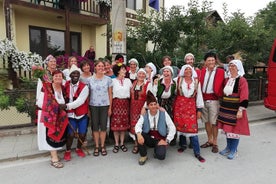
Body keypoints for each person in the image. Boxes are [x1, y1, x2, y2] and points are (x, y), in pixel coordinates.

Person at [217, 60, 250, 160]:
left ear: (238, 68)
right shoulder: (227, 80)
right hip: (226, 109)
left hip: (235, 109)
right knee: (227, 130)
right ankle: (228, 147)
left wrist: (241, 110)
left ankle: (234, 150)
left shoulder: (242, 80)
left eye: (233, 66)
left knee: (234, 130)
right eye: (230, 66)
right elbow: (222, 93)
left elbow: (244, 95)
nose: (231, 68)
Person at [173, 65, 205, 162]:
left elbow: (199, 95)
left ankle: (197, 152)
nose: (187, 71)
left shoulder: (196, 82)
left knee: (193, 130)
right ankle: (183, 145)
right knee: (181, 127)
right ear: (183, 71)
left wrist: (199, 110)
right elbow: (167, 80)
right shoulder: (177, 80)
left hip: (191, 107)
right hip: (179, 107)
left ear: (192, 71)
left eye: (189, 69)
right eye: (185, 69)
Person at [36, 70, 68, 169]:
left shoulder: (62, 88)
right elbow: (40, 103)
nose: (58, 78)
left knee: (56, 136)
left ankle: (54, 155)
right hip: (48, 117)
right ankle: (54, 159)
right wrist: (54, 107)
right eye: (56, 76)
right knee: (51, 135)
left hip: (58, 117)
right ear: (52, 77)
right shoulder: (46, 88)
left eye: (60, 76)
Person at [135, 91, 176, 165]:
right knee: (138, 133)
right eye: (151, 105)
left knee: (161, 156)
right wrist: (139, 134)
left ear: (157, 105)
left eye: (155, 104)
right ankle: (143, 155)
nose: (153, 106)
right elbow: (138, 125)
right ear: (148, 106)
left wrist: (167, 140)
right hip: (149, 137)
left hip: (160, 138)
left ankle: (157, 150)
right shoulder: (145, 114)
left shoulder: (163, 113)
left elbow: (172, 127)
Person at [62, 64, 89, 161]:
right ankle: (68, 151)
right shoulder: (65, 85)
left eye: (77, 73)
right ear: (70, 75)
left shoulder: (84, 87)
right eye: (73, 73)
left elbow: (80, 101)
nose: (75, 75)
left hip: (81, 114)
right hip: (70, 115)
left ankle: (78, 148)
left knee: (82, 134)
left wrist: (67, 106)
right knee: (70, 135)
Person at [199, 52, 224, 153]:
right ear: (205, 62)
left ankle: (215, 142)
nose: (211, 62)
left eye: (212, 60)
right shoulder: (203, 71)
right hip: (203, 99)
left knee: (214, 122)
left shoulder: (220, 71)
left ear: (215, 60)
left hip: (214, 99)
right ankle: (209, 140)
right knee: (206, 121)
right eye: (209, 60)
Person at [88, 60, 113, 156]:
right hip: (93, 106)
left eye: (102, 66)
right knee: (94, 127)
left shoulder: (108, 79)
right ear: (95, 67)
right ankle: (96, 146)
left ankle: (102, 146)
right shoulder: (90, 80)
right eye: (99, 66)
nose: (101, 68)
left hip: (104, 106)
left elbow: (110, 94)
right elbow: (88, 95)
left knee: (103, 127)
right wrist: (88, 108)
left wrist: (110, 108)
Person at [110, 63, 132, 153]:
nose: (125, 70)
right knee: (116, 125)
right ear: (118, 71)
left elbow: (131, 93)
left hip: (125, 104)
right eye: (123, 69)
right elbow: (110, 94)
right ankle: (116, 143)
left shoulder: (128, 81)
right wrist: (110, 107)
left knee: (123, 125)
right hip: (116, 103)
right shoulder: (113, 81)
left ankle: (122, 143)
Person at [152, 65, 177, 145]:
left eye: (168, 71)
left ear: (171, 73)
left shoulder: (174, 83)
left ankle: (171, 138)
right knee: (158, 121)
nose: (166, 73)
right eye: (164, 71)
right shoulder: (158, 82)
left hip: (168, 104)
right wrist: (158, 106)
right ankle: (158, 139)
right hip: (158, 103)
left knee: (170, 121)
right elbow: (153, 95)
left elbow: (174, 94)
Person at [129, 68, 151, 154]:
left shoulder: (148, 84)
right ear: (137, 75)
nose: (141, 76)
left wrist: (144, 107)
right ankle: (136, 144)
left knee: (142, 125)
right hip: (133, 108)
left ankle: (142, 144)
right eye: (139, 74)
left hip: (142, 108)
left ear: (145, 75)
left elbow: (150, 97)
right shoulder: (134, 83)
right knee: (134, 125)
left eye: (143, 74)